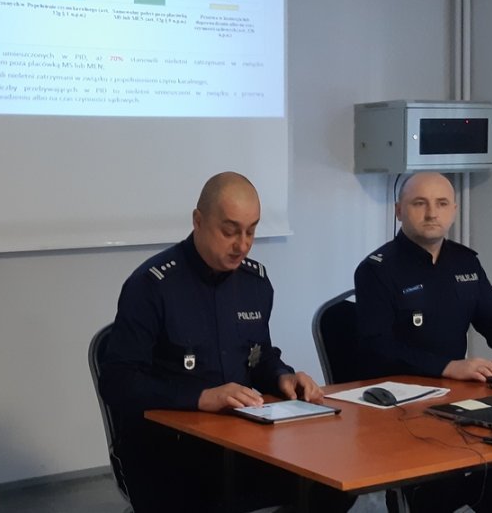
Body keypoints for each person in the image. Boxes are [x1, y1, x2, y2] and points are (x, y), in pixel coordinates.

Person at [100, 172, 354, 513]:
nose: (242, 244)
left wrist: (283, 376)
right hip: (168, 450)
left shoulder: (254, 283)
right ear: (198, 221)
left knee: (336, 481)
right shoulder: (152, 286)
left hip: (242, 441)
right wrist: (200, 397)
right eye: (230, 231)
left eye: (251, 231)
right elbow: (118, 381)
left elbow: (259, 356)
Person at [354, 171, 492, 513]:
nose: (431, 213)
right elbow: (378, 347)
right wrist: (446, 366)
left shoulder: (464, 262)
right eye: (419, 203)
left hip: (457, 395)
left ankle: (472, 504)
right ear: (398, 210)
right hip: (402, 402)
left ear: (453, 210)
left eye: (441, 204)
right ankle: (439, 500)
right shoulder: (377, 270)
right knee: (445, 477)